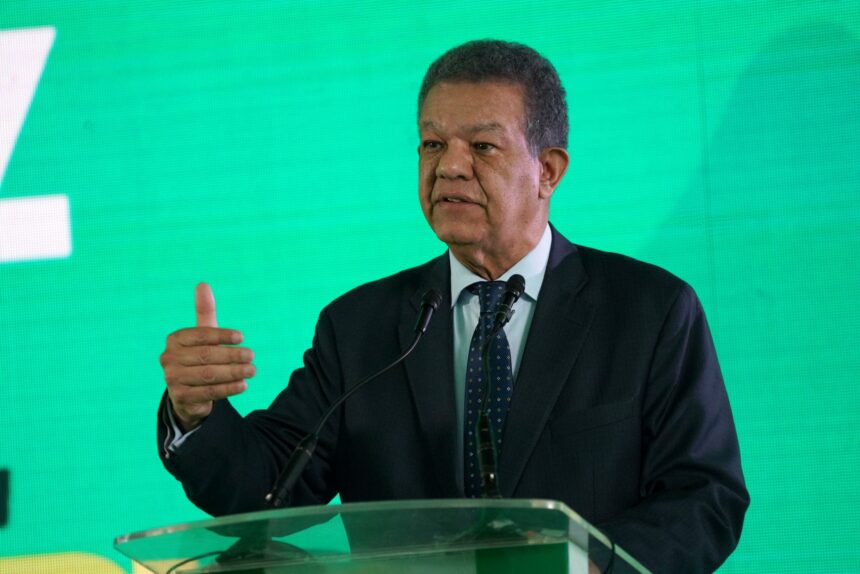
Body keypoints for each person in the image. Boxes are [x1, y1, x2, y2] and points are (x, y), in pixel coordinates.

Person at [158, 40, 749, 573]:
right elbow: (267, 492)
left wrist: (589, 566)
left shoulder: (648, 310)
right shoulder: (359, 326)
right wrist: (195, 414)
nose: (449, 166)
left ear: (547, 171)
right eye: (433, 144)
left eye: (482, 146)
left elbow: (705, 497)